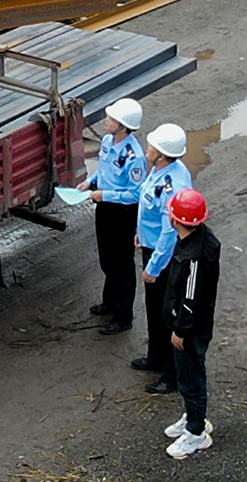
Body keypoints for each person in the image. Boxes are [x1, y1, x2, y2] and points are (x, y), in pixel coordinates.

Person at [133, 124, 192, 394]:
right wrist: (140, 233)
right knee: (154, 310)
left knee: (167, 314)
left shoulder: (172, 185)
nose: (147, 149)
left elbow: (169, 232)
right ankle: (155, 357)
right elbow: (149, 211)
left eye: (152, 146)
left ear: (163, 154)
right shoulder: (161, 170)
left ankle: (171, 374)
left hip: (163, 257)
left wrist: (154, 267)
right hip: (151, 246)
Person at [160, 189, 219, 459]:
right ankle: (194, 417)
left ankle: (196, 433)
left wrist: (180, 330)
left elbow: (191, 299)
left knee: (191, 379)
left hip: (190, 329)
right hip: (190, 325)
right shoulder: (197, 240)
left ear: (176, 220)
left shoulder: (194, 257)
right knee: (189, 375)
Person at [80, 98, 144, 335]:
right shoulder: (107, 141)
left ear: (123, 127)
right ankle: (109, 302)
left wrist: (104, 194)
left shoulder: (134, 157)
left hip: (122, 213)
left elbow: (135, 193)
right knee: (107, 259)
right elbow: (104, 170)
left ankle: (123, 316)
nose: (106, 121)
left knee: (122, 265)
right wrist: (89, 182)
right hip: (104, 207)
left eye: (111, 119)